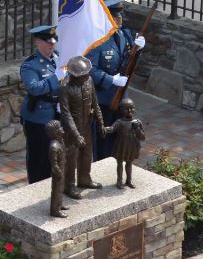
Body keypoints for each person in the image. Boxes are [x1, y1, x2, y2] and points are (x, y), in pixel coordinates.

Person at [87, 0, 146, 159]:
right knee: (104, 138)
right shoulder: (97, 40)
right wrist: (110, 79)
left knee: (122, 138)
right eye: (115, 17)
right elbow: (90, 69)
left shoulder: (124, 35)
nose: (119, 20)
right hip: (103, 99)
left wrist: (138, 50)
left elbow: (130, 63)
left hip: (121, 97)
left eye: (120, 17)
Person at [19, 24, 66, 183]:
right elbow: (34, 88)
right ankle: (36, 190)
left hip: (58, 114)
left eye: (53, 41)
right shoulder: (30, 65)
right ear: (38, 42)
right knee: (39, 159)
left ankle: (54, 191)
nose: (52, 45)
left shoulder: (58, 58)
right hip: (38, 118)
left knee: (57, 157)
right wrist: (55, 78)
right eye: (48, 42)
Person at [58, 56, 104, 199]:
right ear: (74, 75)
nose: (86, 77)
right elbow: (66, 114)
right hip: (72, 130)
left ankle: (84, 179)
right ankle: (69, 186)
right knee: (71, 158)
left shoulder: (89, 81)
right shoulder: (65, 87)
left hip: (86, 125)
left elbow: (95, 103)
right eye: (83, 75)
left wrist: (101, 122)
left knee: (86, 153)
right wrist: (76, 135)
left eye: (87, 74)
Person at [104, 98, 146, 189]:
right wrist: (105, 128)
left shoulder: (137, 123)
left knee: (129, 163)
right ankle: (119, 181)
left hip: (132, 145)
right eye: (126, 108)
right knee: (119, 163)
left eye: (131, 108)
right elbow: (112, 129)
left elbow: (142, 137)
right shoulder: (119, 122)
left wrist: (137, 129)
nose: (129, 110)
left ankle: (129, 180)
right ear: (121, 110)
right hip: (121, 145)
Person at [46, 120, 68, 218]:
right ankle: (55, 210)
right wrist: (59, 173)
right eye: (60, 127)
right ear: (56, 132)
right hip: (58, 172)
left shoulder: (60, 141)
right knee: (56, 190)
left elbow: (64, 152)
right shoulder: (54, 147)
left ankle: (59, 204)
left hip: (62, 168)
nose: (62, 129)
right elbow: (54, 164)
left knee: (61, 188)